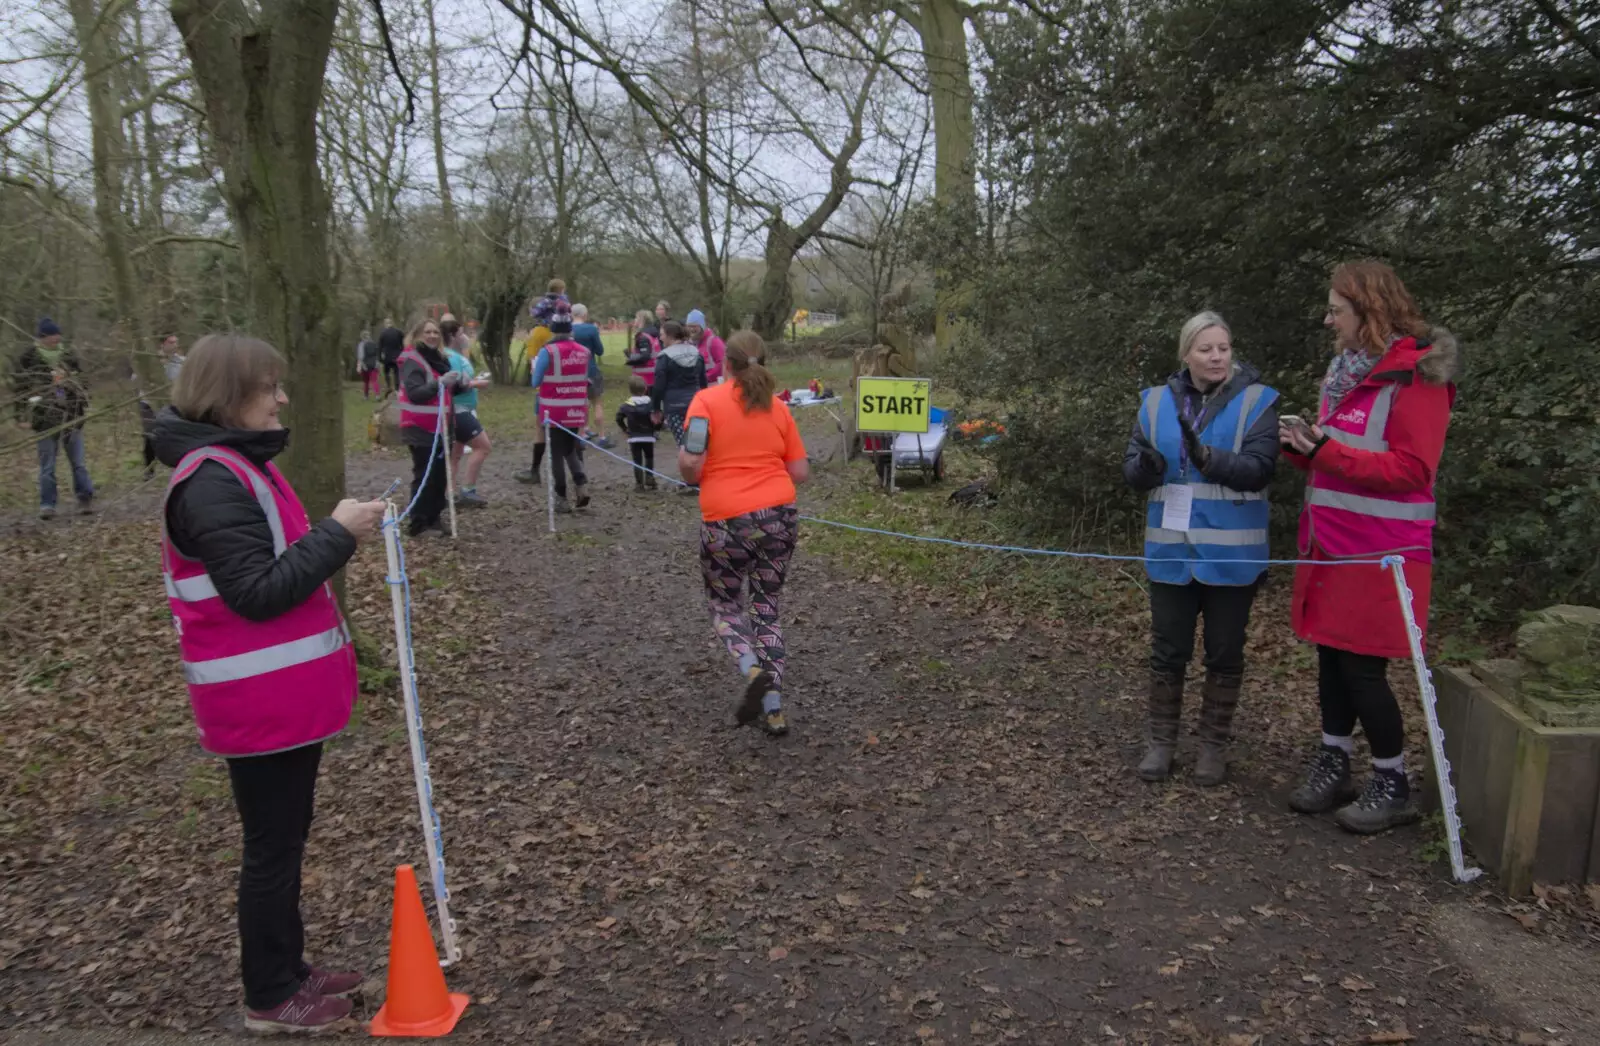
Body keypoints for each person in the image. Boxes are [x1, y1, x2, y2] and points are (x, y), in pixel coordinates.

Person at [150, 333, 388, 1034]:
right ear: (228, 398)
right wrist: (336, 534)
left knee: (285, 839)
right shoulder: (212, 480)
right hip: (256, 707)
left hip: (279, 703)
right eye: (269, 388)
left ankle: (289, 969)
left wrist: (335, 533)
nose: (283, 398)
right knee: (272, 848)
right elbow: (255, 592)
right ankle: (270, 995)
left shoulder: (237, 467)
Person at [1282, 261, 1458, 834]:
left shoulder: (1417, 377)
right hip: (1330, 542)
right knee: (1330, 658)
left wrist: (1325, 448)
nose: (1328, 318)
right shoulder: (1343, 372)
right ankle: (1334, 759)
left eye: (1337, 309)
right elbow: (1339, 453)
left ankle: (1392, 781)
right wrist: (1301, 445)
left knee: (1363, 670)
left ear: (1369, 311)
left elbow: (1412, 469)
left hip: (1383, 551)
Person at [1123, 311, 1280, 786]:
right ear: (1186, 353)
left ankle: (1213, 746)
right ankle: (1161, 744)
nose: (1216, 357)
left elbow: (1261, 468)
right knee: (1168, 650)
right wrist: (1146, 467)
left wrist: (1213, 461)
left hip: (1232, 557)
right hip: (1171, 553)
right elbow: (1132, 471)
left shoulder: (1258, 402)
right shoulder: (1153, 404)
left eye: (1224, 348)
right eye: (1206, 349)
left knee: (1224, 652)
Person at [680, 331, 810, 735]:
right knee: (766, 607)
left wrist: (696, 471)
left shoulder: (705, 402)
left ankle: (750, 668)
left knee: (724, 606)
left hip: (725, 523)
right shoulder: (778, 408)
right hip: (779, 518)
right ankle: (774, 709)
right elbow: (800, 472)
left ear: (726, 363)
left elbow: (690, 464)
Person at [11, 317, 93, 518]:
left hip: (72, 416)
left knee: (78, 462)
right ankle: (48, 504)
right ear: (43, 338)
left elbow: (84, 381)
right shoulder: (28, 358)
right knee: (47, 465)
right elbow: (20, 388)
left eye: (58, 335)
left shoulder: (68, 355)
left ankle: (85, 498)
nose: (57, 338)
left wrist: (73, 384)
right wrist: (20, 415)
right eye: (53, 335)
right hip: (44, 419)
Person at [397, 318, 463, 536]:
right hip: (420, 427)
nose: (433, 336)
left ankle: (434, 517)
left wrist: (458, 383)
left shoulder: (439, 359)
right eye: (427, 332)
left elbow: (446, 392)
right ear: (417, 335)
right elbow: (416, 393)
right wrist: (440, 383)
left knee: (439, 475)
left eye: (435, 332)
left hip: (442, 426)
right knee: (425, 474)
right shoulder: (411, 359)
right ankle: (418, 522)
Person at [528, 304, 592, 512]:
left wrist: (534, 369)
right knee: (570, 450)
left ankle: (561, 497)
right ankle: (581, 486)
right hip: (576, 408)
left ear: (553, 329)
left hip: (554, 409)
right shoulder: (584, 352)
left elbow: (535, 381)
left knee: (556, 453)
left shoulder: (548, 351)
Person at [441, 317, 492, 508]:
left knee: (456, 453)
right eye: (461, 333)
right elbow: (454, 384)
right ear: (453, 335)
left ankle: (449, 493)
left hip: (459, 409)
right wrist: (478, 383)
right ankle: (467, 491)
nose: (464, 337)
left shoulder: (453, 355)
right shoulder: (451, 358)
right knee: (483, 446)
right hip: (458, 411)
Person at [650, 320, 707, 449]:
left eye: (662, 334)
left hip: (674, 408)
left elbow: (658, 386)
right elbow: (703, 382)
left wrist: (656, 409)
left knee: (683, 446)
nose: (660, 338)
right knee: (697, 445)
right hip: (696, 405)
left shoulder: (664, 357)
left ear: (670, 336)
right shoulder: (696, 353)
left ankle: (689, 467)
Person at [570, 303, 612, 448]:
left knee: (580, 404)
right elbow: (600, 350)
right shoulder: (591, 329)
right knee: (597, 403)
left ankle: (581, 435)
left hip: (573, 371)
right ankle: (602, 436)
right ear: (584, 314)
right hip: (591, 369)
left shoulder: (568, 330)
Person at [615, 374, 662, 490]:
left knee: (637, 460)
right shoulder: (651, 404)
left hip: (634, 437)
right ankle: (650, 477)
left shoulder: (627, 405)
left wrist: (625, 429)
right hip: (648, 436)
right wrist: (656, 429)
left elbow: (618, 417)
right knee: (649, 457)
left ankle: (639, 483)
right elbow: (660, 416)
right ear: (646, 388)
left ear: (630, 390)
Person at [684, 309, 726, 385]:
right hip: (696, 386)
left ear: (702, 326)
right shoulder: (688, 343)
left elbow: (722, 363)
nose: (691, 329)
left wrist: (705, 377)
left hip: (713, 386)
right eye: (689, 326)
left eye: (694, 326)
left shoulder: (713, 341)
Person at [626, 308, 661, 390]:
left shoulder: (643, 337)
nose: (635, 320)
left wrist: (631, 358)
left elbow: (645, 356)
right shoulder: (653, 334)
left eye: (636, 318)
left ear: (642, 320)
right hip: (653, 375)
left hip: (644, 378)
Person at [377, 318, 404, 395]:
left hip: (387, 357)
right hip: (397, 356)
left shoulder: (383, 333)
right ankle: (397, 389)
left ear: (385, 324)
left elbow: (380, 347)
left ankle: (389, 386)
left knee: (386, 372)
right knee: (397, 372)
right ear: (392, 323)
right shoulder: (398, 332)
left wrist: (380, 358)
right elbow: (403, 343)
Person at [357, 329, 381, 399]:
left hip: (365, 365)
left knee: (366, 381)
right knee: (374, 380)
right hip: (374, 364)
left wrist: (362, 365)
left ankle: (366, 396)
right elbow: (377, 354)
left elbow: (361, 356)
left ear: (362, 337)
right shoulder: (374, 344)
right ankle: (377, 395)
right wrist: (377, 363)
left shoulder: (361, 345)